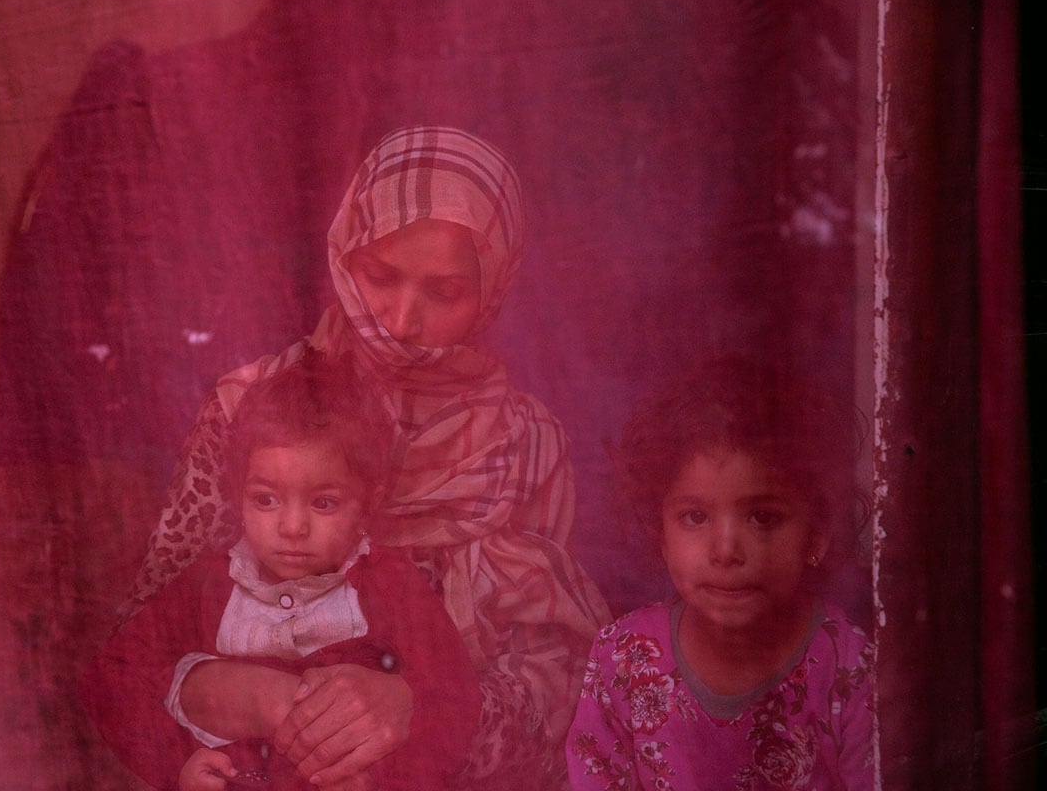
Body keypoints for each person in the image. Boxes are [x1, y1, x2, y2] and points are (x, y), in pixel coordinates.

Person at [115, 125, 610, 789]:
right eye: (380, 276)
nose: (402, 320)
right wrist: (225, 691)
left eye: (444, 292)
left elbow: (560, 681)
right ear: (346, 254)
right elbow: (144, 643)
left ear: (493, 287)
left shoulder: (524, 447)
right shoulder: (252, 410)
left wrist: (417, 708)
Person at [83, 352, 480, 790]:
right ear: (238, 494)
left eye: (323, 503)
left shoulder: (391, 585)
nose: (292, 528)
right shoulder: (207, 584)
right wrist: (177, 763)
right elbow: (113, 677)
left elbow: (452, 702)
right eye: (266, 500)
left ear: (368, 501)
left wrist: (383, 781)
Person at [567, 356, 874, 790]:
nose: (726, 551)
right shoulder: (622, 659)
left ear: (817, 535)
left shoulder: (849, 668)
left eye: (763, 518)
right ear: (662, 533)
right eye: (695, 517)